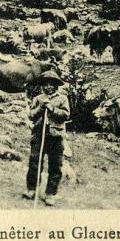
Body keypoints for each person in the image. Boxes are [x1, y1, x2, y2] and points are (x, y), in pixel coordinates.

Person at [23, 71, 71, 206]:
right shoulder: (38, 98)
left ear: (56, 86)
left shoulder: (62, 99)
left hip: (55, 136)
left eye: (51, 84)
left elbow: (66, 115)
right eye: (46, 84)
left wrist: (52, 108)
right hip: (39, 134)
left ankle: (50, 193)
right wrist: (40, 108)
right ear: (42, 85)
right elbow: (31, 115)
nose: (48, 87)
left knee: (55, 166)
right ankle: (31, 189)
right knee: (34, 162)